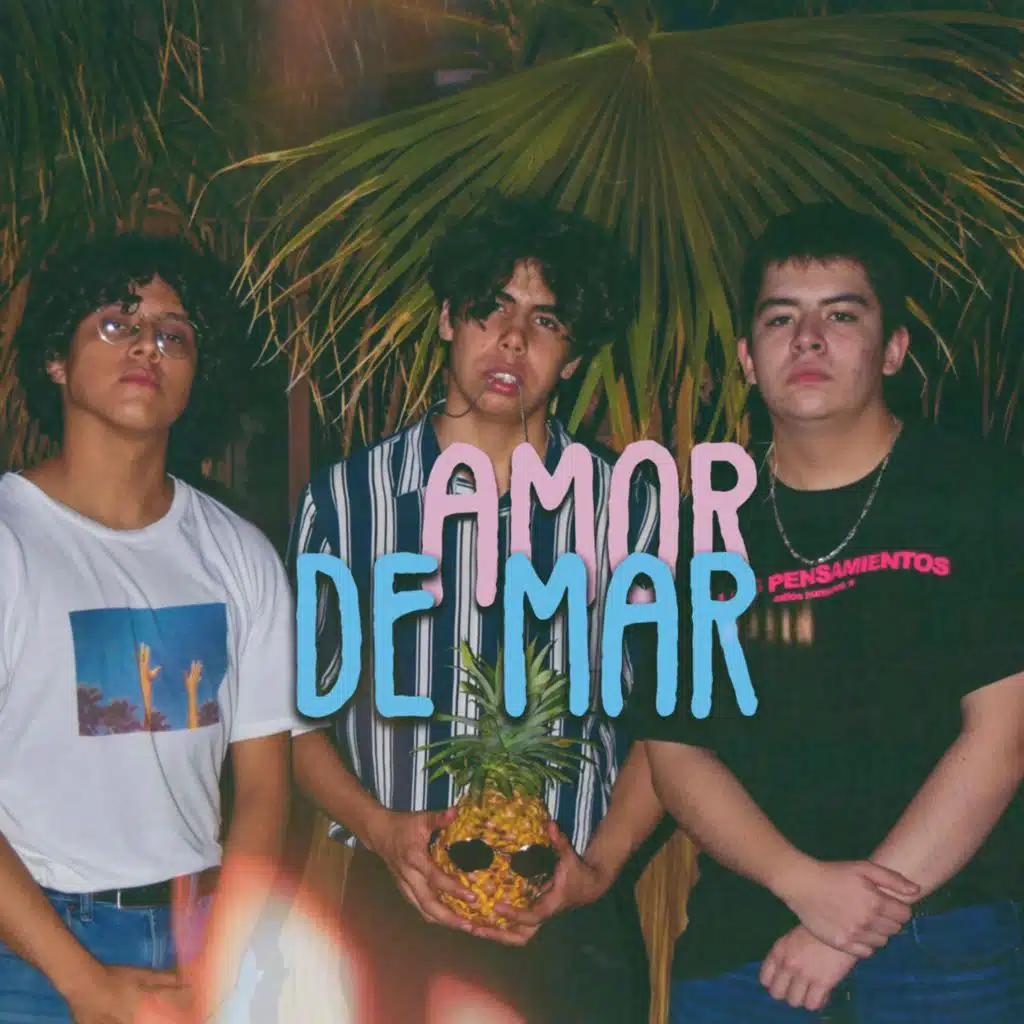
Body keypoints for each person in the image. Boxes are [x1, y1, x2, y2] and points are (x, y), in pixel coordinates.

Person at [616, 202, 1024, 1021]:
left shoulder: (980, 491)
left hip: (948, 936)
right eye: (780, 319)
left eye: (841, 315)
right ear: (747, 356)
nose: (807, 339)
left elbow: (1002, 736)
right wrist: (802, 885)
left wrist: (848, 929)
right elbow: (676, 751)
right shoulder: (695, 533)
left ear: (893, 348)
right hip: (746, 949)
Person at [287, 193, 671, 1023]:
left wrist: (598, 871)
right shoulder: (348, 502)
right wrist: (379, 829)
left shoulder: (630, 510)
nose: (513, 339)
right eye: (490, 307)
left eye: (546, 320)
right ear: (446, 321)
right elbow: (293, 724)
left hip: (571, 926)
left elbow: (668, 724)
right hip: (396, 911)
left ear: (572, 355)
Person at [0, 233, 299, 1022]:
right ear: (56, 360)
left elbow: (264, 787)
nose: (147, 346)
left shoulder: (239, 554)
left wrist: (225, 948)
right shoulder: (9, 541)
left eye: (175, 334)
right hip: (28, 945)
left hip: (199, 932)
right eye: (116, 323)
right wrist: (82, 981)